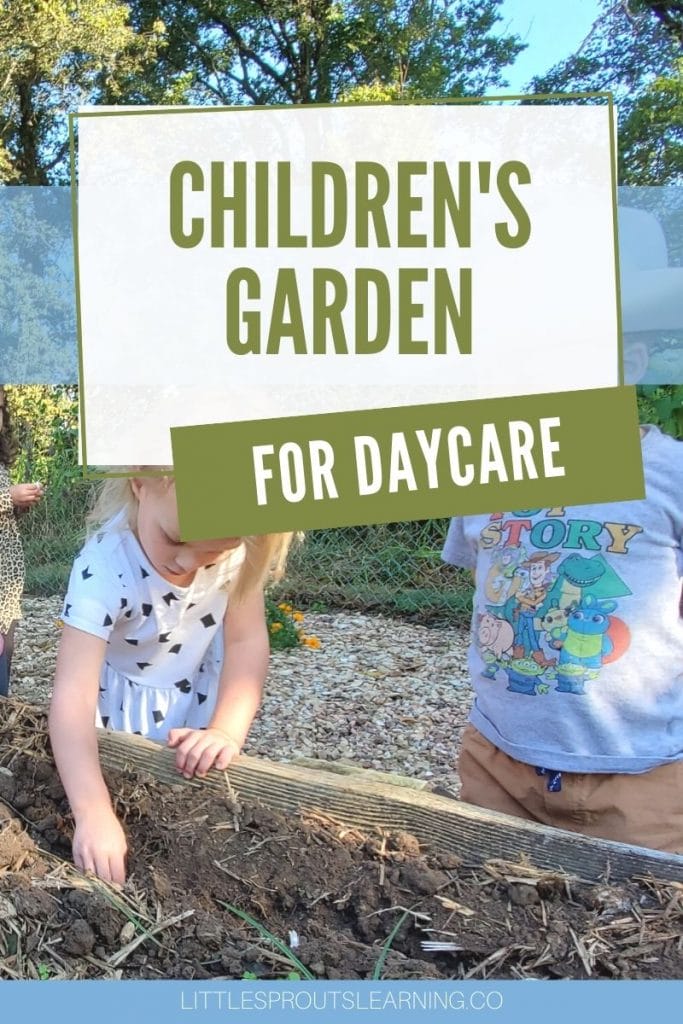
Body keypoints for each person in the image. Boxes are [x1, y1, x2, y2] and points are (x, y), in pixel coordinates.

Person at [49, 474, 294, 884]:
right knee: (119, 790)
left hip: (192, 701)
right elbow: (72, 695)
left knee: (186, 805)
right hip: (114, 708)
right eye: (175, 540)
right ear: (139, 483)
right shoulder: (104, 567)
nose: (187, 563)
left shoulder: (239, 551)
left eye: (212, 555)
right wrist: (92, 813)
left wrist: (225, 732)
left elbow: (247, 642)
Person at [0, 386, 44, 697]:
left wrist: (18, 506)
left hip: (6, 578)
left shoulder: (1, 462)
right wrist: (8, 497)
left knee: (7, 647)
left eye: (0, 409)